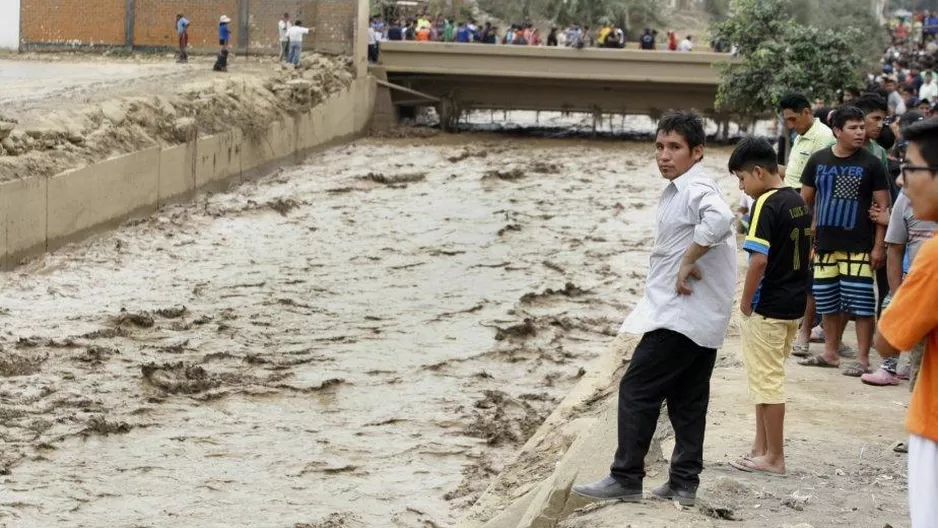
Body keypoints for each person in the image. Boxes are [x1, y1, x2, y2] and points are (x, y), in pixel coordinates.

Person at [572, 112, 736, 506]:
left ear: (697, 152)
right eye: (660, 147)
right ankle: (683, 482)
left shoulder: (696, 188)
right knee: (688, 399)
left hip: (681, 314)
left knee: (636, 388)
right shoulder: (681, 189)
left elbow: (721, 220)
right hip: (701, 315)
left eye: (675, 148)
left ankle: (626, 477)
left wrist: (686, 260)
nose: (664, 156)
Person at [728, 138, 811, 476]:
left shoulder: (765, 203)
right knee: (766, 379)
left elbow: (758, 260)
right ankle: (760, 448)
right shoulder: (797, 200)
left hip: (769, 306)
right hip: (793, 306)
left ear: (759, 172)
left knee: (768, 382)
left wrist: (746, 302)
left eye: (742, 178)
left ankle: (774, 457)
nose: (742, 187)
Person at [873, 118, 938, 528]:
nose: (901, 182)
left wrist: (901, 299)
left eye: (909, 168)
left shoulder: (933, 258)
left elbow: (886, 342)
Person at [798, 106, 891, 373]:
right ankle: (830, 353)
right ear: (837, 131)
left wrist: (878, 247)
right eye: (853, 128)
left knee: (861, 304)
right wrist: (807, 241)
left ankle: (863, 360)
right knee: (827, 300)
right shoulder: (818, 160)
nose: (860, 132)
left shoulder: (872, 163)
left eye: (862, 127)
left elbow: (883, 208)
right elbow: (804, 202)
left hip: (860, 247)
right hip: (824, 245)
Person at [777, 94, 835, 358]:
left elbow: (819, 185)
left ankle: (806, 329)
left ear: (806, 112)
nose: (790, 124)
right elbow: (793, 174)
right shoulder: (802, 135)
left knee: (808, 272)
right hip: (794, 205)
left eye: (792, 118)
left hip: (809, 211)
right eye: (786, 119)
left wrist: (811, 220)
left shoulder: (823, 137)